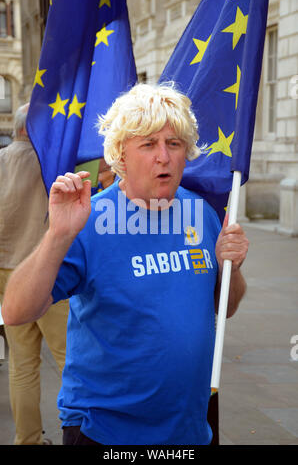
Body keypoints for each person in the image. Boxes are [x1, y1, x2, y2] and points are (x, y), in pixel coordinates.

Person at [2, 84, 249, 445]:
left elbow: (223, 306)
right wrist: (57, 235)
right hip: (106, 432)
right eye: (148, 144)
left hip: (191, 427)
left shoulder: (203, 213)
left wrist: (234, 267)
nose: (163, 156)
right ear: (121, 154)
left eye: (174, 144)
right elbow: (15, 310)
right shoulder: (88, 220)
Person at [0, 103, 69, 445]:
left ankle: (27, 440)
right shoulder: (52, 163)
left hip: (7, 276)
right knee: (71, 359)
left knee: (22, 364)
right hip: (46, 274)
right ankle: (82, 432)